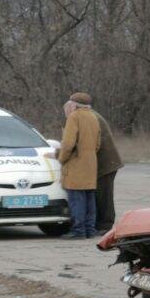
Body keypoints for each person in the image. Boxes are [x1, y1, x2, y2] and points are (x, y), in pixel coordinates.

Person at [57, 92, 101, 239]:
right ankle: (90, 230)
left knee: (76, 199)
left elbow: (68, 144)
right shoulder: (93, 116)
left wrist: (61, 158)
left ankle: (78, 231)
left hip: (76, 165)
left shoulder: (74, 117)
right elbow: (98, 144)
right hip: (90, 163)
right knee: (89, 199)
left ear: (74, 105)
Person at [93, 105, 124, 234]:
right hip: (105, 162)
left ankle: (105, 225)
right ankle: (101, 224)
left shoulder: (90, 118)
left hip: (106, 164)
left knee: (104, 195)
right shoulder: (93, 115)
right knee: (101, 194)